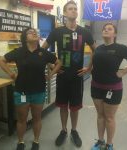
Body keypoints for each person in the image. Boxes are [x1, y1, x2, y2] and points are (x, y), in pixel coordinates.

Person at [0, 28, 62, 150]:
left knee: (37, 118)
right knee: (22, 119)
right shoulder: (18, 52)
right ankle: (20, 142)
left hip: (39, 91)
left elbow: (58, 62)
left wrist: (50, 74)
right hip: (22, 91)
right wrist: (11, 74)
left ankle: (36, 141)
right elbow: (1, 61)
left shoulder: (43, 52)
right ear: (25, 38)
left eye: (36, 32)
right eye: (30, 32)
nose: (34, 33)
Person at [42, 1, 95, 148]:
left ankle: (74, 130)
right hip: (63, 76)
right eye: (70, 9)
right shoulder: (57, 32)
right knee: (63, 106)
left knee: (75, 106)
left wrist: (89, 67)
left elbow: (96, 50)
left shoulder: (85, 32)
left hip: (77, 77)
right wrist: (53, 65)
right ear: (65, 13)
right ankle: (63, 130)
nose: (73, 11)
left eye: (75, 9)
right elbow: (43, 50)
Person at [91, 23, 127, 150]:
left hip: (113, 88)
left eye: (109, 29)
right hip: (96, 87)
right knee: (100, 115)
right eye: (104, 29)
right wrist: (88, 69)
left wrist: (123, 72)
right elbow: (94, 63)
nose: (105, 30)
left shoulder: (120, 48)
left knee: (109, 117)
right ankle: (100, 141)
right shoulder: (98, 48)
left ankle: (109, 144)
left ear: (114, 34)